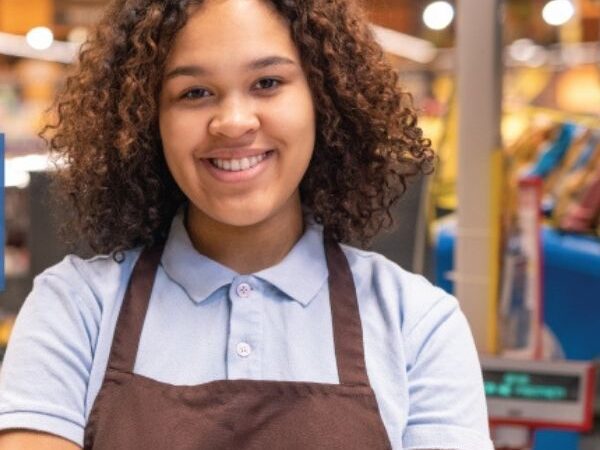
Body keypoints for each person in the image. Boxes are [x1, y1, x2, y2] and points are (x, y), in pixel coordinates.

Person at [0, 0, 493, 449]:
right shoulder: (73, 310)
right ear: (148, 120)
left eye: (268, 83)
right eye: (194, 92)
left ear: (324, 100)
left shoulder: (418, 325)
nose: (233, 122)